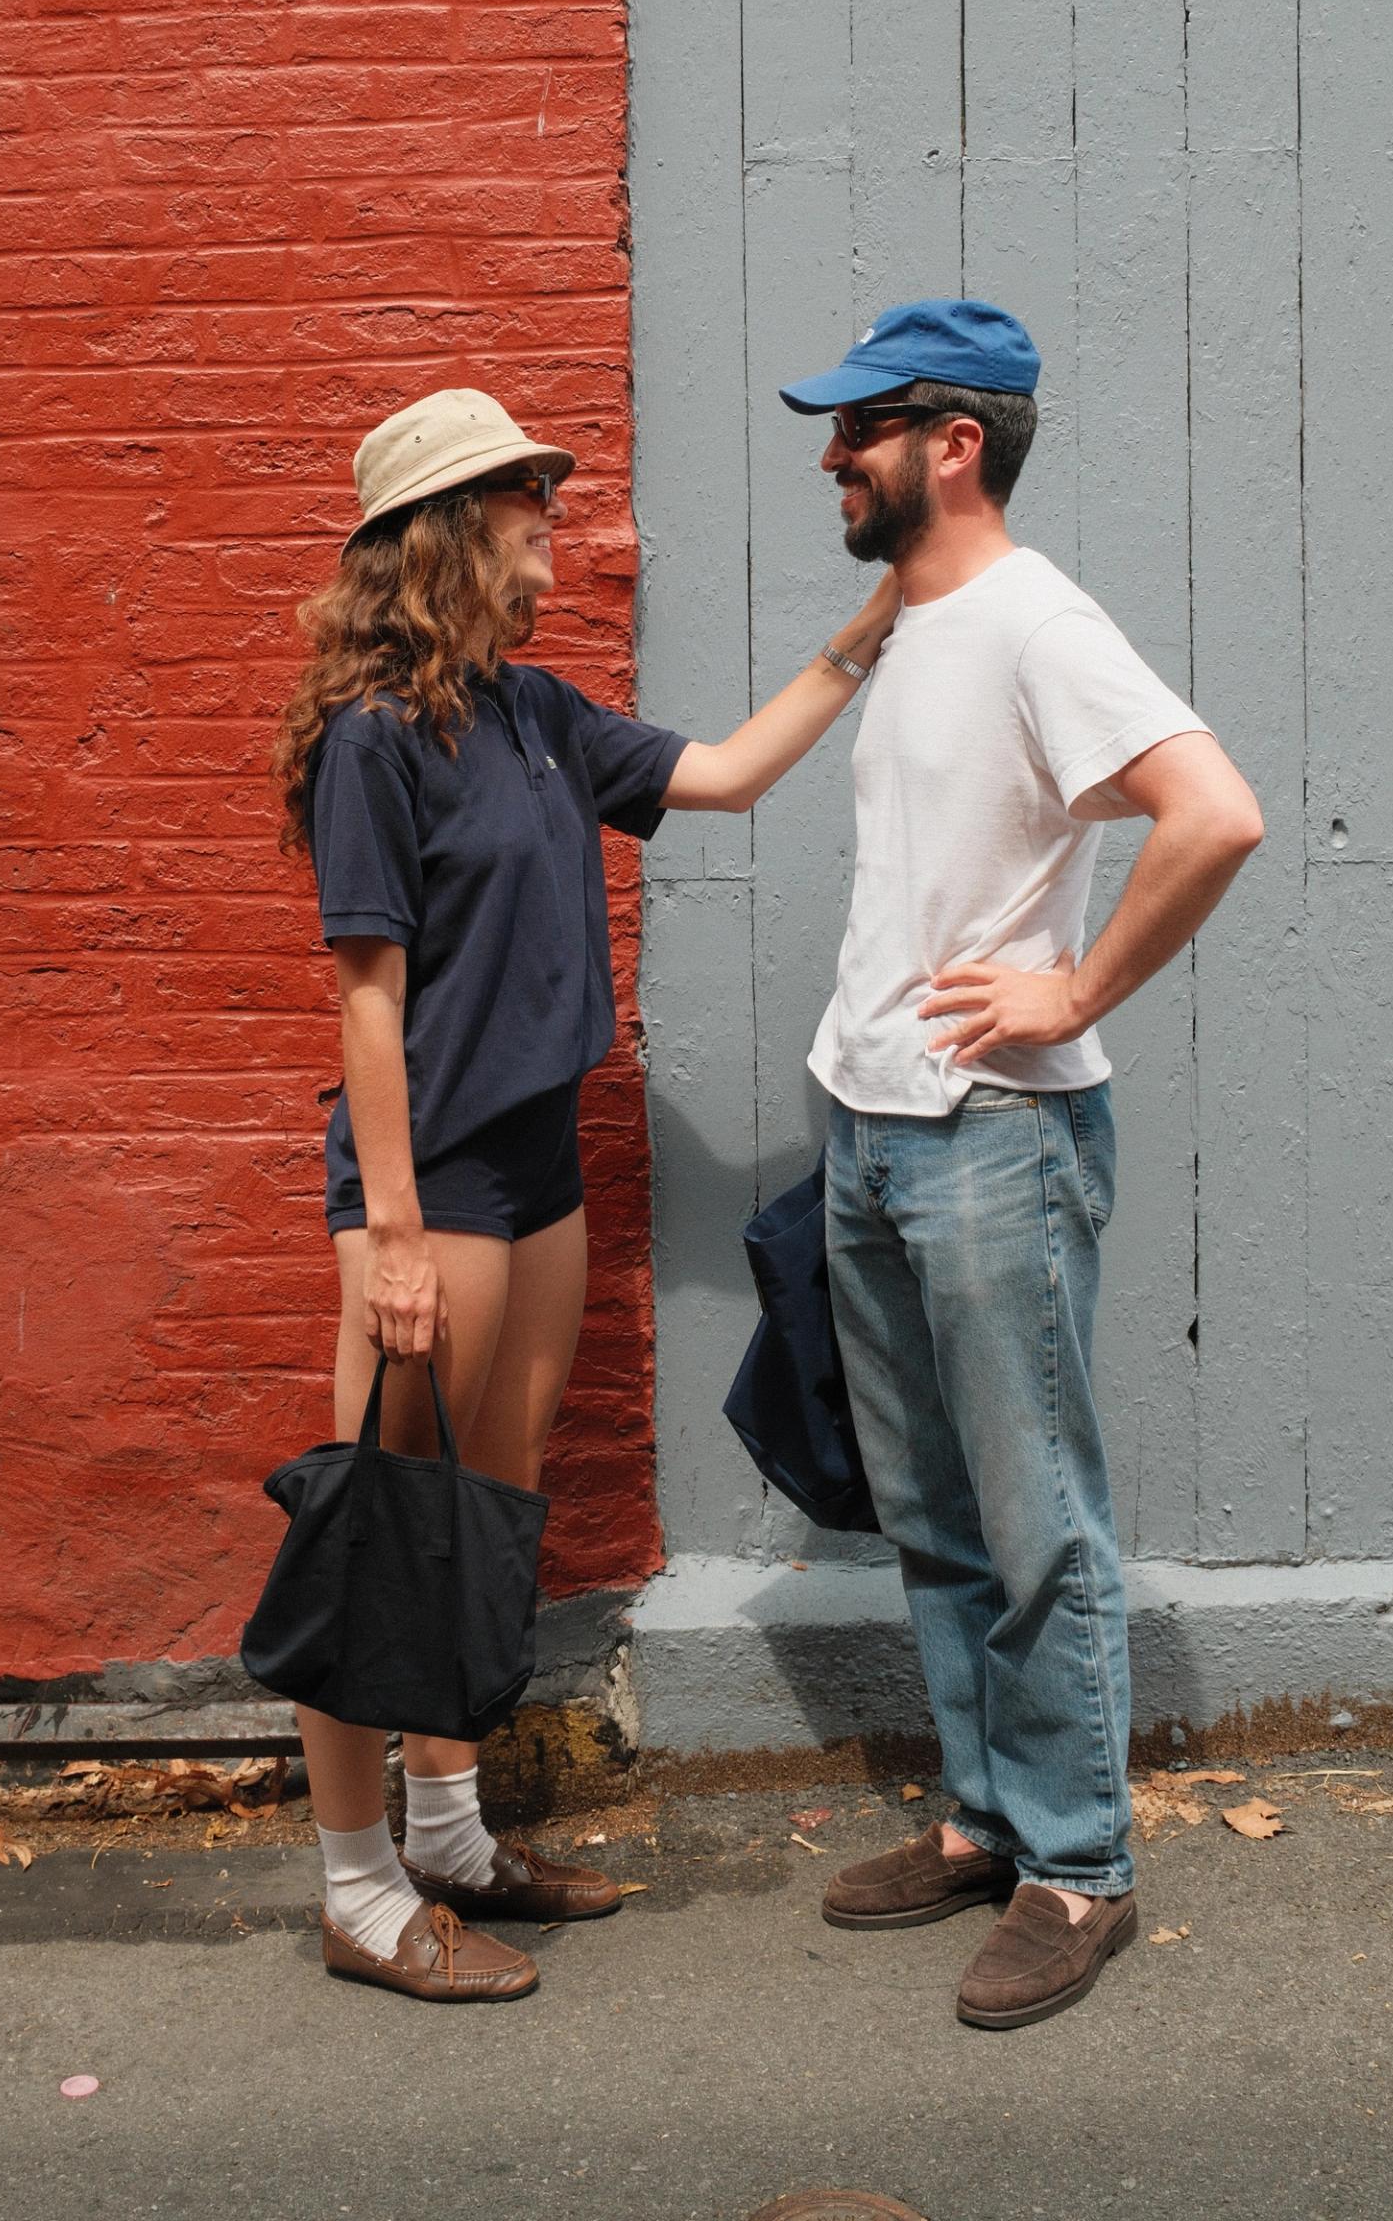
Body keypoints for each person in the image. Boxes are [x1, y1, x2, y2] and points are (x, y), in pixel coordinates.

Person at [270, 384, 899, 2005]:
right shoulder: (376, 739)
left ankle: (450, 1835)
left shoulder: (536, 715)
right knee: (381, 1538)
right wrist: (391, 1237)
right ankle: (357, 1892)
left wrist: (868, 631)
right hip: (434, 1187)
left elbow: (729, 774)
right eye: (524, 497)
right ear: (445, 531)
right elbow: (364, 1001)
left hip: (538, 1172)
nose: (554, 517)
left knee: (482, 1517)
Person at [777, 300, 1263, 2032]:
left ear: (954, 443)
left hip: (992, 1136)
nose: (833, 458)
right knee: (933, 1515)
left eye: (859, 430)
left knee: (1034, 1517)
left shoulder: (1040, 622)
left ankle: (1078, 1865)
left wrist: (1072, 989)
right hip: (876, 1123)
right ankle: (989, 1816)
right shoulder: (922, 623)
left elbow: (1215, 811)